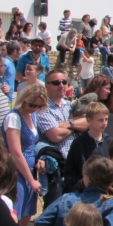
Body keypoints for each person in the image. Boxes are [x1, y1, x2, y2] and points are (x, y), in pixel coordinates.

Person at [3, 84, 47, 226]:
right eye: (32, 105)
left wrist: (39, 160)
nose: (34, 109)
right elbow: (15, 152)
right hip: (16, 174)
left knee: (25, 220)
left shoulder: (32, 117)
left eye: (39, 106)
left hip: (30, 172)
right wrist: (30, 179)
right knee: (14, 218)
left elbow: (32, 145)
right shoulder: (14, 117)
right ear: (24, 100)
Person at [37, 70, 90, 205]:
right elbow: (55, 135)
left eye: (64, 82)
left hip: (75, 165)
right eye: (56, 83)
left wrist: (67, 124)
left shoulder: (70, 105)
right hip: (56, 167)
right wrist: (75, 125)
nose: (61, 85)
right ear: (46, 86)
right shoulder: (42, 108)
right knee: (55, 206)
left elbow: (87, 123)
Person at [63, 102, 112, 193]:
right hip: (84, 193)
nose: (104, 123)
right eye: (100, 120)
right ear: (89, 121)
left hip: (105, 191)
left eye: (106, 119)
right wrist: (81, 184)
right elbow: (69, 171)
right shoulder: (79, 143)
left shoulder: (109, 141)